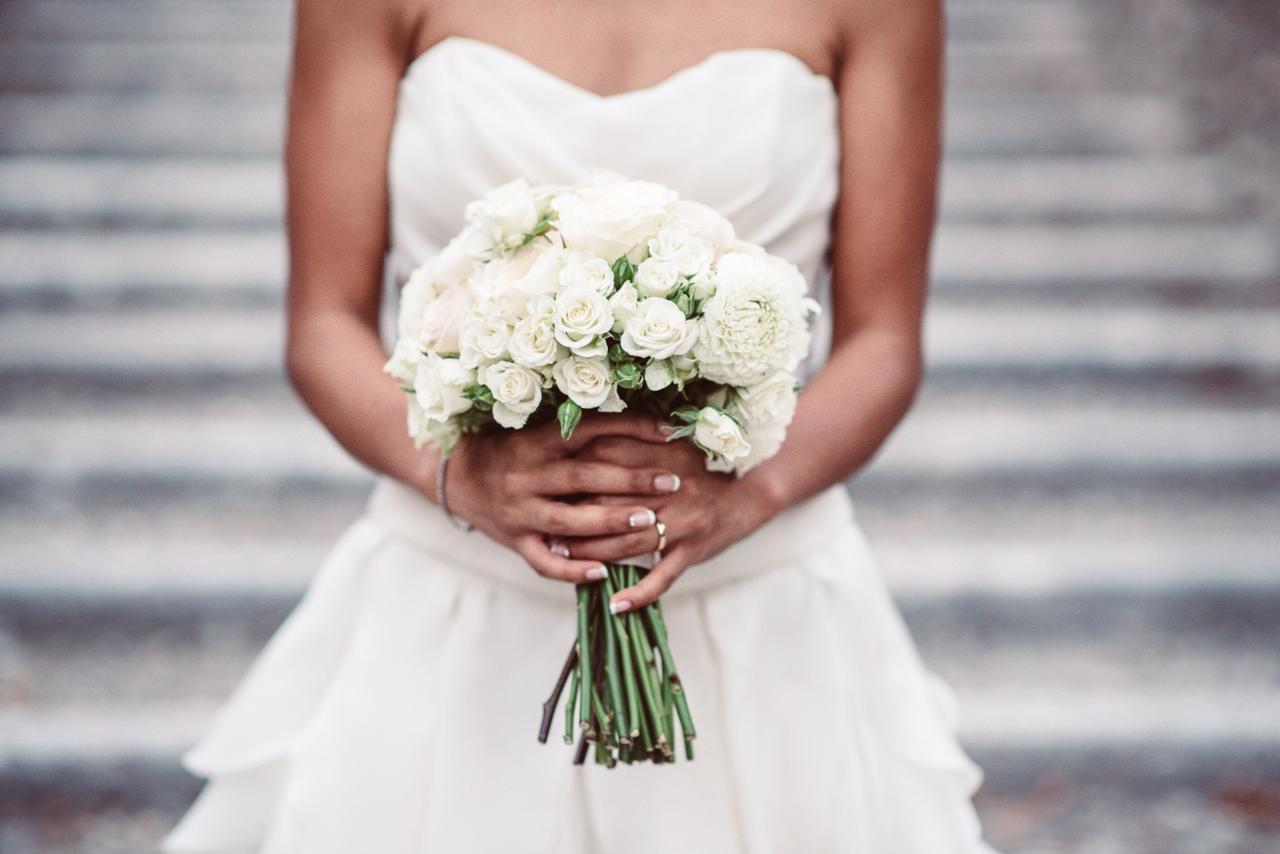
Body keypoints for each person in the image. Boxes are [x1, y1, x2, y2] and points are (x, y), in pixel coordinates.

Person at [164, 0, 998, 850]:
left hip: (762, 611)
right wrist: (456, 476)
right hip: (456, 597)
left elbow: (884, 341)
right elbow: (322, 327)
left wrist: (753, 491)